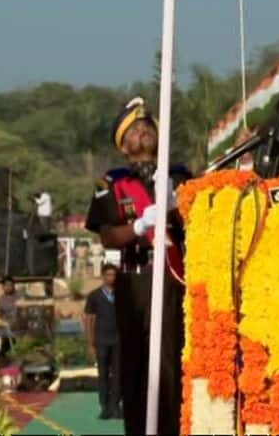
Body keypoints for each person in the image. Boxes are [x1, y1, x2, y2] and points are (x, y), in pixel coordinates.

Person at [84, 97, 184, 434]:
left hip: (172, 276)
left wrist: (178, 205)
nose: (143, 132)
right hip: (135, 279)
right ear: (123, 146)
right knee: (136, 363)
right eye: (134, 130)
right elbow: (108, 236)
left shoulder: (179, 175)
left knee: (172, 360)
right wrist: (139, 226)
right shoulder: (111, 183)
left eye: (147, 127)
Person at [84, 264, 122, 419]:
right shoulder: (94, 296)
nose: (111, 278)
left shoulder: (122, 294)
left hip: (118, 341)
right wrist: (90, 343)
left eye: (114, 275)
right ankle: (105, 407)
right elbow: (89, 320)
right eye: (108, 275)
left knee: (118, 375)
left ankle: (115, 406)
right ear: (103, 276)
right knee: (103, 374)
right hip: (101, 340)